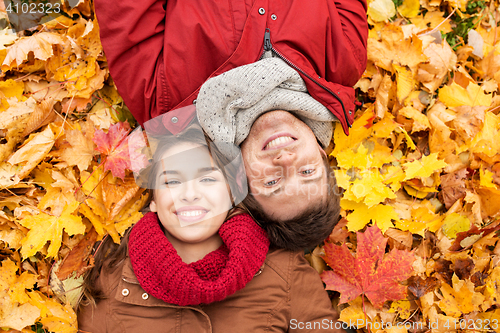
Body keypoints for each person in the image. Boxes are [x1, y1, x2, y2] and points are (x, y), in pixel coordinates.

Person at [92, 1, 368, 250]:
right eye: (307, 171)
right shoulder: (344, 61)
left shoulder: (162, 100)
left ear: (240, 179)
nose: (285, 160)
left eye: (272, 182)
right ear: (321, 153)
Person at [77, 111, 345, 332]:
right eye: (172, 181)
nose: (190, 193)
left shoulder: (283, 271)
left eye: (207, 179)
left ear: (231, 193)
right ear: (154, 201)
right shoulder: (114, 280)